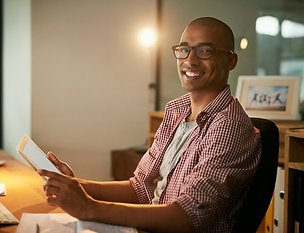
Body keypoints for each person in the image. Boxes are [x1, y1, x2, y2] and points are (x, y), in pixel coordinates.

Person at [38, 17, 261, 233]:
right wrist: (74, 185)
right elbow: (141, 188)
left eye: (205, 51)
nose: (190, 60)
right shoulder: (178, 112)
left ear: (231, 61)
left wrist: (88, 208)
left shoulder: (228, 126)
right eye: (184, 49)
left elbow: (188, 217)